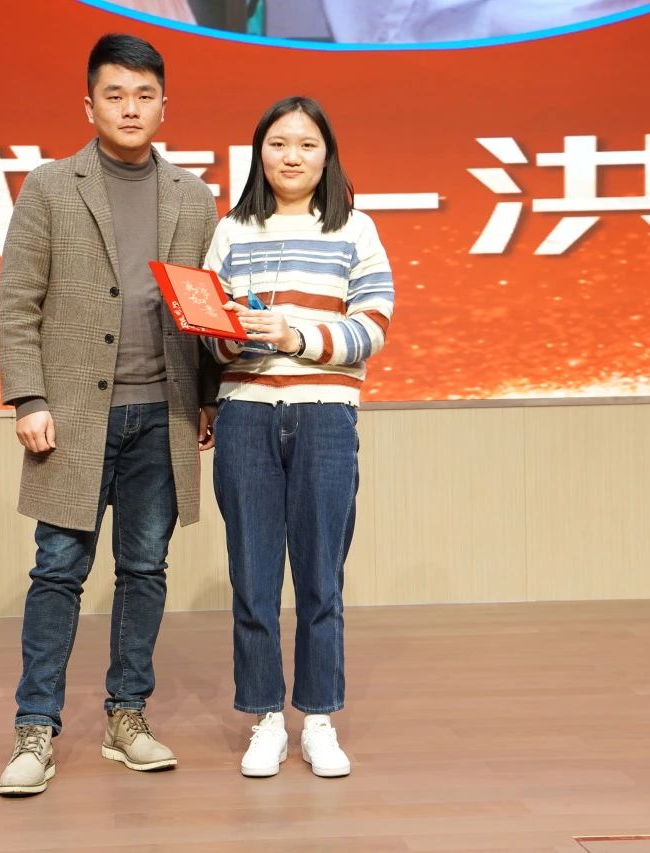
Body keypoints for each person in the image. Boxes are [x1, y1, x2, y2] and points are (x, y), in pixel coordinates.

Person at [0, 32, 219, 796]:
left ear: (164, 106)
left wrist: (209, 398)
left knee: (145, 568)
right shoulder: (50, 186)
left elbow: (204, 307)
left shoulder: (193, 196)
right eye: (115, 94)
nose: (130, 108)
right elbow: (16, 302)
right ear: (88, 104)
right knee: (58, 569)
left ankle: (127, 715)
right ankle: (35, 728)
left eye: (144, 95)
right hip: (73, 417)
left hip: (164, 411)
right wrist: (29, 397)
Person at [202, 96, 393, 778]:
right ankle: (263, 719)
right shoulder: (230, 231)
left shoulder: (356, 230)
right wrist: (230, 335)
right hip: (246, 414)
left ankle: (317, 719)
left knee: (320, 577)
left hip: (325, 415)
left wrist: (295, 336)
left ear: (327, 155)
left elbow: (373, 326)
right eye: (278, 144)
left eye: (307, 144)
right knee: (253, 577)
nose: (291, 156)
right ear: (259, 154)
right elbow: (210, 332)